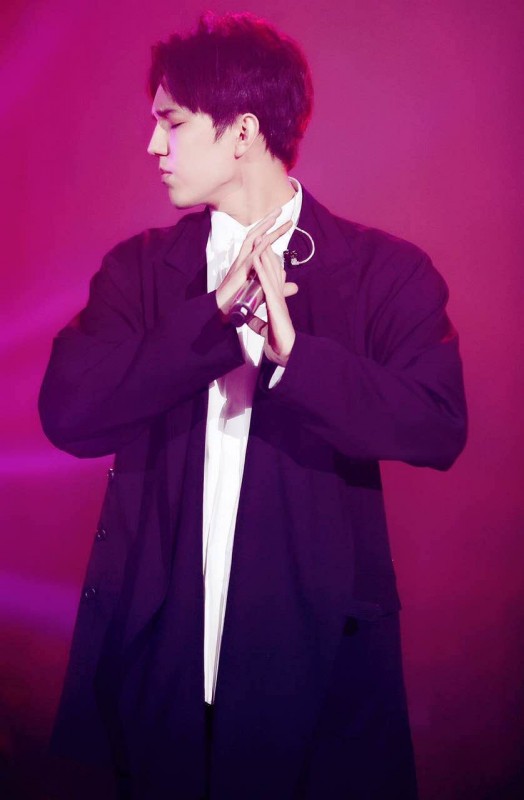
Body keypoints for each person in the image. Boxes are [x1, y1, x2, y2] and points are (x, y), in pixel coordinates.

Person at [39, 11, 467, 800]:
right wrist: (209, 321)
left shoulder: (384, 271)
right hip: (157, 665)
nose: (153, 145)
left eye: (171, 121)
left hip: (315, 676)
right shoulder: (141, 270)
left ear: (241, 132)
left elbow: (438, 422)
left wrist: (298, 358)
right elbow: (68, 411)